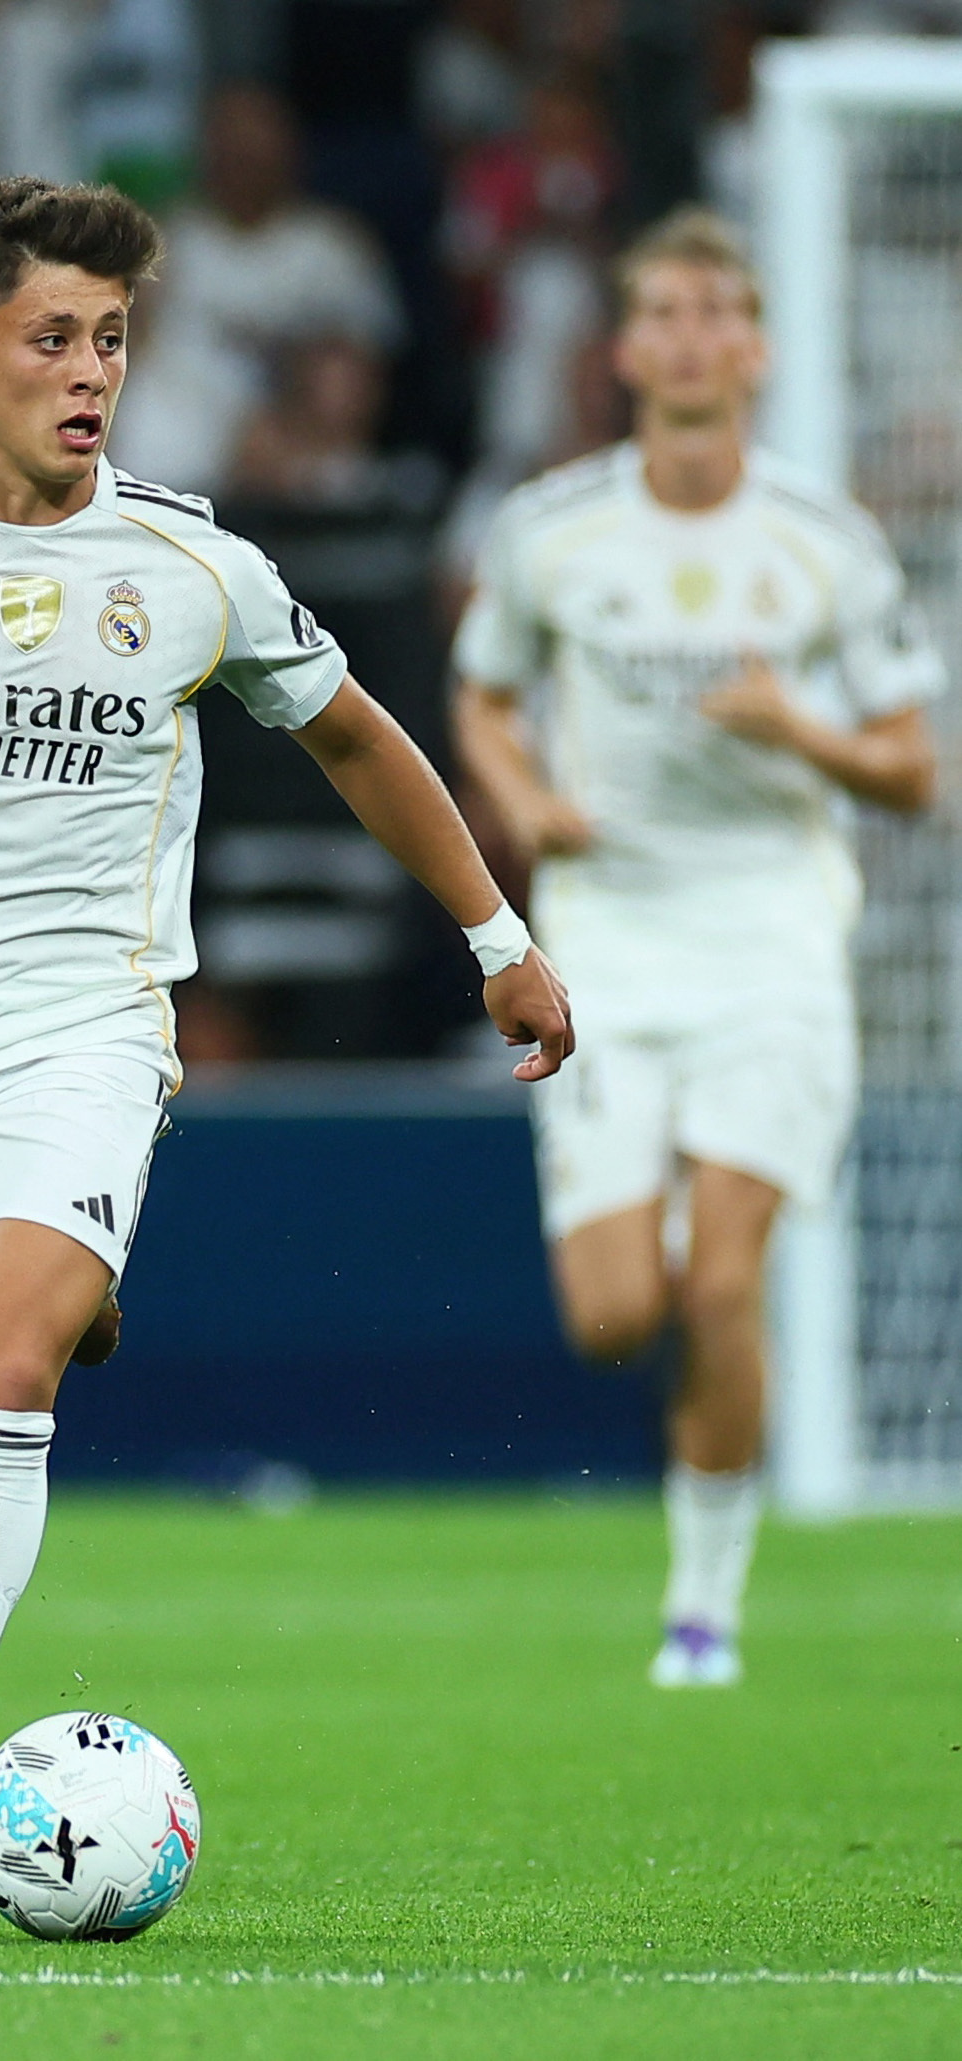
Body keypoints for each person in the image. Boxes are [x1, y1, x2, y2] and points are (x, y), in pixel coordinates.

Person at [0, 175, 571, 1937]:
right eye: (52, 337)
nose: (89, 373)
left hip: (81, 1030)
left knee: (2, 1370)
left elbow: (361, 740)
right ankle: (38, 1280)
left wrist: (497, 937)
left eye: (114, 341)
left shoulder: (196, 566)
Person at [452, 207, 943, 1691]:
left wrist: (798, 727)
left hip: (772, 933)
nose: (687, 338)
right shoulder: (550, 531)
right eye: (661, 312)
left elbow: (914, 768)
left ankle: (704, 1611)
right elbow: (482, 696)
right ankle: (663, 1221)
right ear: (623, 349)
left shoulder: (822, 541)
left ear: (759, 349)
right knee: (617, 1318)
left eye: (715, 311)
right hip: (608, 937)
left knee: (725, 1288)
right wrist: (526, 801)